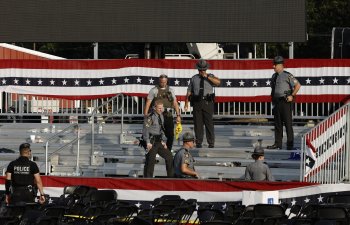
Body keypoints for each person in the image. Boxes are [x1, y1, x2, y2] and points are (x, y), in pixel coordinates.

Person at [184, 59, 221, 148]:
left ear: (206, 69)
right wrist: (186, 103)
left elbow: (218, 82)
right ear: (198, 69)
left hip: (207, 102)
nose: (202, 71)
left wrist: (207, 77)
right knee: (198, 123)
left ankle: (211, 142)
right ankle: (199, 142)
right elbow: (189, 91)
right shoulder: (194, 78)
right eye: (200, 70)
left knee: (209, 123)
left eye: (204, 69)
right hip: (197, 102)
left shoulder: (211, 76)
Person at [267, 56, 301, 150]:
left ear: (280, 65)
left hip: (285, 101)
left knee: (287, 123)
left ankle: (290, 144)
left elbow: (298, 85)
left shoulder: (287, 75)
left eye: (275, 65)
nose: (273, 66)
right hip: (277, 102)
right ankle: (278, 144)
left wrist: (292, 95)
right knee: (277, 124)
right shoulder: (274, 76)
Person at [144, 74, 181, 151]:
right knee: (156, 133)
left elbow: (175, 103)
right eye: (161, 82)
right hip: (156, 115)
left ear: (167, 81)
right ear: (159, 81)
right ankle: (155, 150)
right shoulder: (154, 90)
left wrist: (178, 115)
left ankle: (168, 150)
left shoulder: (170, 90)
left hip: (167, 114)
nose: (163, 83)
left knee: (170, 135)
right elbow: (148, 102)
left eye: (165, 82)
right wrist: (146, 115)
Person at [143, 100, 174, 178]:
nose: (161, 109)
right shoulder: (150, 117)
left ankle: (171, 177)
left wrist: (164, 141)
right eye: (159, 108)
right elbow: (145, 130)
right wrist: (147, 142)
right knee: (151, 161)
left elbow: (162, 129)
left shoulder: (161, 116)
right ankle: (148, 179)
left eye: (162, 108)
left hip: (159, 141)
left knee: (169, 156)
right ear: (154, 108)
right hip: (152, 141)